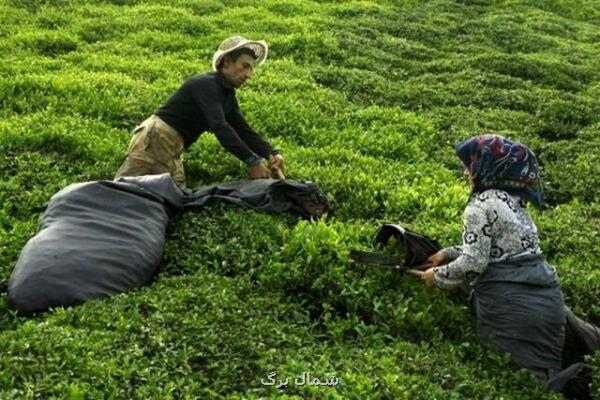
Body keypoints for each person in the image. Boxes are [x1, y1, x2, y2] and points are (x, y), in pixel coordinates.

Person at [410, 135, 599, 395]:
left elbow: (475, 261)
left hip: (512, 311)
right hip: (548, 302)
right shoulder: (514, 200)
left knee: (522, 387)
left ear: (488, 166)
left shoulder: (479, 206)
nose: (466, 172)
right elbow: (506, 250)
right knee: (544, 375)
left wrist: (437, 276)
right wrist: (448, 253)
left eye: (470, 164)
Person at [114, 36, 284, 188]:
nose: (249, 74)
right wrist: (252, 161)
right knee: (123, 191)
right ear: (226, 62)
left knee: (174, 198)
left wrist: (270, 153)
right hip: (157, 138)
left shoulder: (226, 94)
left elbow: (242, 129)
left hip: (173, 146)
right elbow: (220, 126)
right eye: (245, 66)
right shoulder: (206, 84)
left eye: (251, 69)